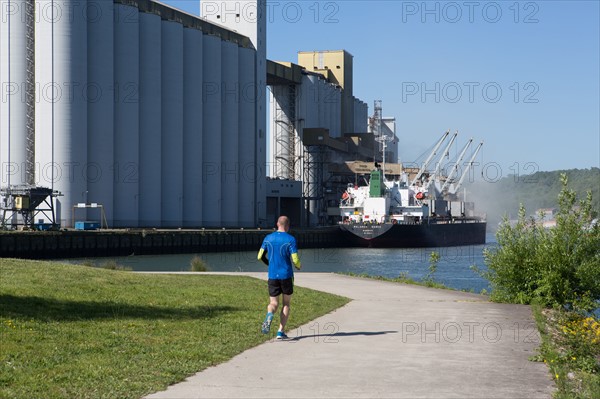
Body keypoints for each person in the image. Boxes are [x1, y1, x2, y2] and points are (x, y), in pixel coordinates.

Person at [257, 215, 301, 340]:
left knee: (273, 303)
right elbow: (295, 259)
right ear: (287, 226)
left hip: (272, 275)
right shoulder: (291, 239)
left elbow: (259, 256)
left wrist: (269, 264)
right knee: (286, 303)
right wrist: (298, 266)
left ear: (277, 224)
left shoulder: (268, 238)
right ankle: (280, 331)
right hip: (286, 275)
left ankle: (270, 314)